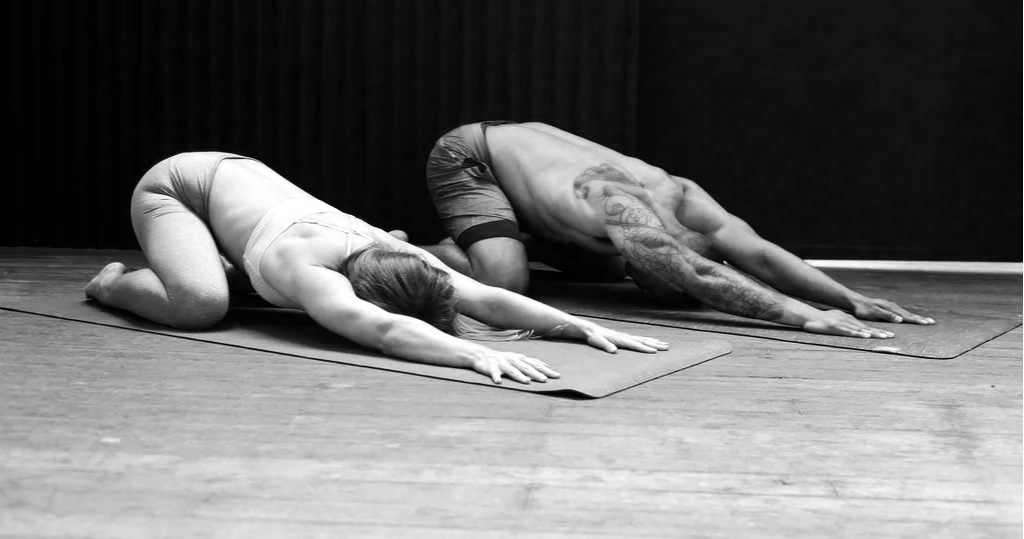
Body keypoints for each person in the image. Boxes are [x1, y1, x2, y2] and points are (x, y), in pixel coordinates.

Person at [85, 152, 668, 385]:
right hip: (176, 187)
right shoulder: (310, 271)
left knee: (245, 285)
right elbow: (384, 330)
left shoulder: (390, 251)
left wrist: (578, 325)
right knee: (201, 305)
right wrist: (473, 354)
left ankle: (221, 264)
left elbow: (485, 298)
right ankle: (113, 284)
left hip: (239, 189)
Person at [424, 121, 936, 339]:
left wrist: (848, 299)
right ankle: (418, 249)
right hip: (474, 156)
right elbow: (694, 272)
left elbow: (758, 254)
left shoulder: (684, 197)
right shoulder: (615, 201)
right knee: (506, 284)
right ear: (662, 252)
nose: (649, 291)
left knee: (605, 268)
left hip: (538, 174)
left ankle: (508, 237)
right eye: (657, 282)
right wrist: (808, 317)